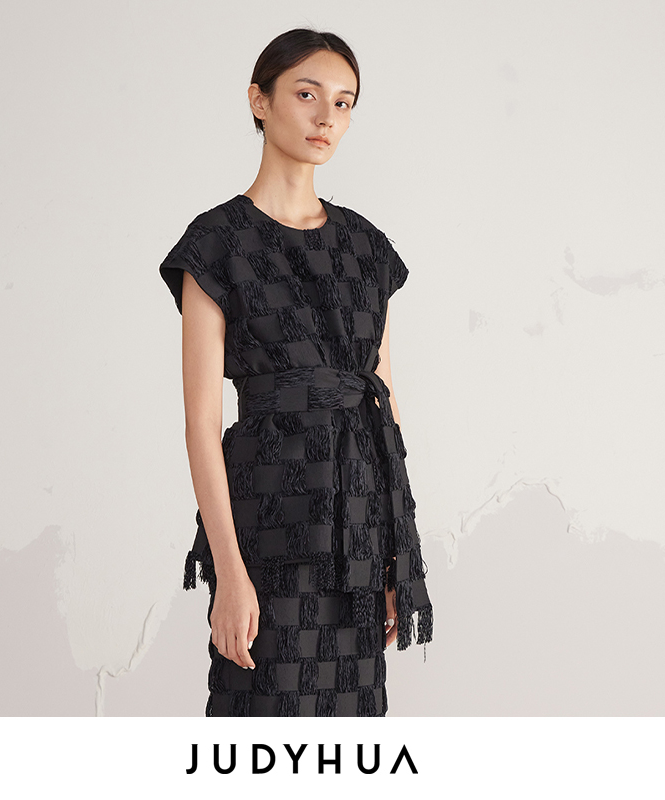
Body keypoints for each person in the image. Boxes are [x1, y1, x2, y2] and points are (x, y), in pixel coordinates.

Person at [159, 27, 433, 717]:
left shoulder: (367, 248)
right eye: (307, 95)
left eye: (344, 103)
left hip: (358, 527)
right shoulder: (215, 243)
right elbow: (200, 424)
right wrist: (229, 572)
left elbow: (385, 407)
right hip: (267, 520)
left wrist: (396, 554)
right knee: (259, 721)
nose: (326, 118)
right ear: (260, 101)